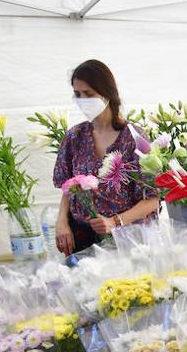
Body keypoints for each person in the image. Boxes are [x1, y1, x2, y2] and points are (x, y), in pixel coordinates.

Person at [52, 59, 159, 254]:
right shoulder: (74, 137)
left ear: (107, 93)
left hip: (129, 239)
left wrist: (114, 222)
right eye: (77, 94)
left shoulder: (134, 138)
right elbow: (69, 187)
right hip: (83, 238)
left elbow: (152, 199)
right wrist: (61, 222)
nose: (82, 100)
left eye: (88, 94)